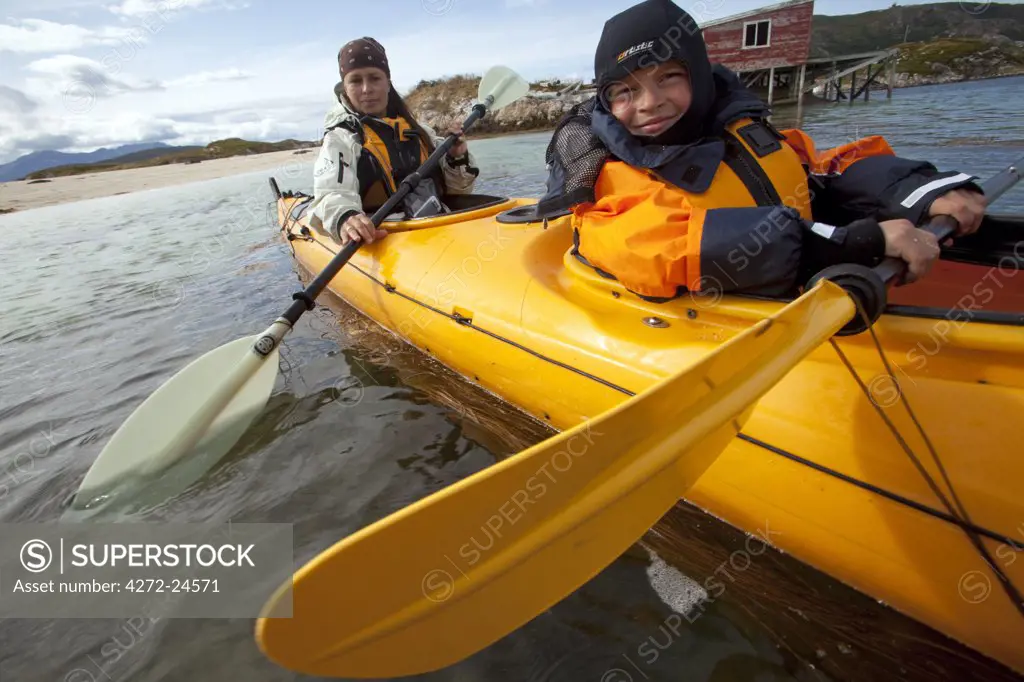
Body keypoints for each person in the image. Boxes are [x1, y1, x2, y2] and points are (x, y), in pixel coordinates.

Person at [537, 0, 987, 301]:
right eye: (624, 91)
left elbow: (821, 170)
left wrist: (922, 190)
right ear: (606, 100)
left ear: (697, 73)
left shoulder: (745, 129)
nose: (649, 103)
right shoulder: (609, 175)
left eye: (668, 77)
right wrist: (856, 242)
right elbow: (651, 246)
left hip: (813, 271)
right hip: (726, 310)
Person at [309, 37, 480, 246]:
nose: (366, 89)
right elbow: (331, 193)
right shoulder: (341, 140)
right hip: (384, 239)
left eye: (374, 78)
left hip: (437, 229)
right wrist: (345, 217)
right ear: (344, 88)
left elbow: (460, 192)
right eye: (355, 80)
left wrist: (457, 157)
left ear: (388, 83)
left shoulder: (421, 132)